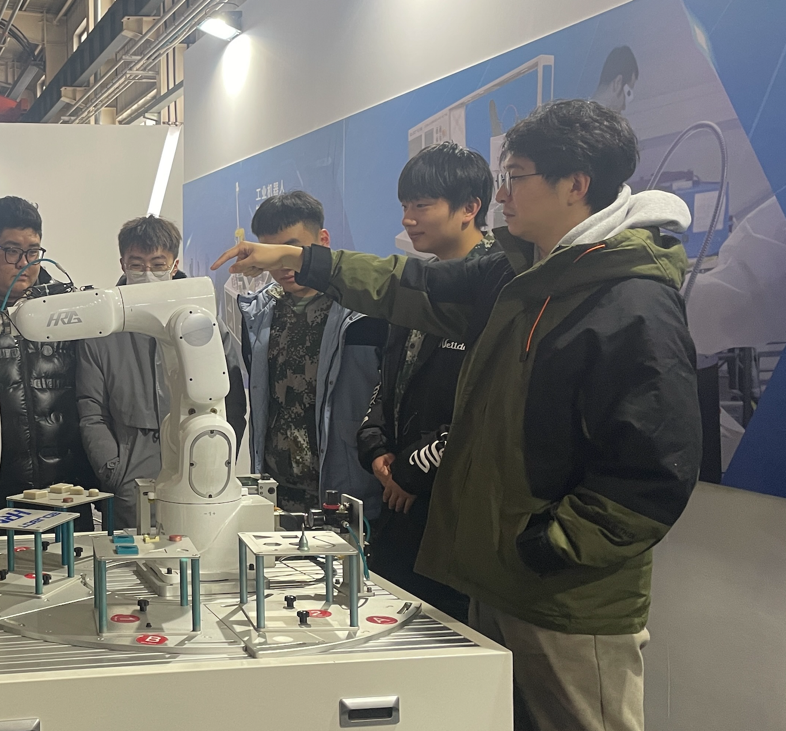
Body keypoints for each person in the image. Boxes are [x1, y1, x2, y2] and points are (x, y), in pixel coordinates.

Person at [214, 99, 700, 731]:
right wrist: (300, 260)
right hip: (500, 579)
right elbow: (407, 285)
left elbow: (653, 470)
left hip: (568, 600)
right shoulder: (517, 276)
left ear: (575, 184)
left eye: (517, 176)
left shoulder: (630, 300)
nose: (504, 195)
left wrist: (550, 546)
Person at [356, 142, 495, 624]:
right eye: (404, 206)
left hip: (454, 512)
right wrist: (376, 447)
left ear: (469, 208)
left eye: (421, 205)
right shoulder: (420, 283)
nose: (408, 220)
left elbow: (483, 408)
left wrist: (413, 472)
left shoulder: (496, 286)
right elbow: (388, 381)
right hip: (397, 507)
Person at [76, 215, 248, 529]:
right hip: (131, 472)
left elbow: (233, 404)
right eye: (137, 264)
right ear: (123, 264)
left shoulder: (204, 324)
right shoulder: (103, 330)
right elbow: (91, 410)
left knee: (199, 545)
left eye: (157, 265)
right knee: (131, 552)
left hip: (196, 465)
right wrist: (113, 469)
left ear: (174, 265)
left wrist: (217, 462)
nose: (147, 274)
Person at [0, 196, 97, 526]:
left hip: (64, 490)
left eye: (33, 252)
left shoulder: (64, 305)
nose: (24, 263)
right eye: (12, 251)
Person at [236, 191, 386, 519]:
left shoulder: (364, 312)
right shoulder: (259, 314)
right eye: (272, 253)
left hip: (348, 494)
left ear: (323, 241)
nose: (283, 264)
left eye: (292, 250)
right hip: (275, 493)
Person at [591, 46, 638, 113]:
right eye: (628, 93)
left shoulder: (577, 112)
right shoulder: (605, 118)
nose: (624, 107)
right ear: (618, 82)